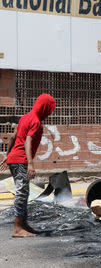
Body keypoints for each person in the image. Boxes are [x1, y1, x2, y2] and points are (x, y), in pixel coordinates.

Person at [0, 93, 56, 237]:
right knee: (22, 192)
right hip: (21, 160)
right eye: (49, 110)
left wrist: (7, 156)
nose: (49, 113)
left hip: (14, 158)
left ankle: (23, 225)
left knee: (23, 192)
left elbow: (13, 137)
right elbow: (28, 141)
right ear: (44, 108)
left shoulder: (25, 117)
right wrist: (30, 163)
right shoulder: (36, 122)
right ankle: (18, 228)